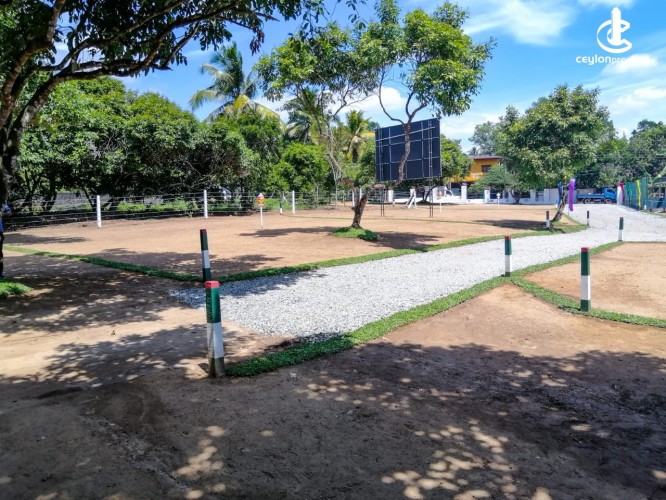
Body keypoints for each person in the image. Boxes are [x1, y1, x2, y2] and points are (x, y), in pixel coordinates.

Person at [0, 203, 9, 278]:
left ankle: (0, 272)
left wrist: (2, 213)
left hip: (0, 232)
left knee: (0, 254)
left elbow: (9, 212)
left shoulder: (2, 204)